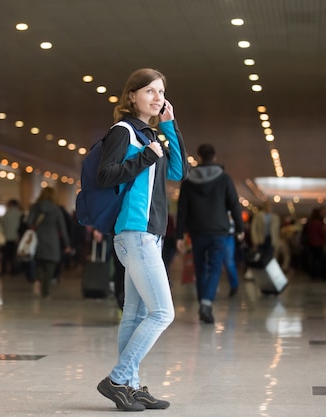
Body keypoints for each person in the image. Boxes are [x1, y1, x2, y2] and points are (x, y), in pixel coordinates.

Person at [96, 68, 188, 411]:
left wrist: (169, 126)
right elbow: (106, 175)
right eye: (149, 91)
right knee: (163, 313)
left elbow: (180, 172)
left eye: (161, 91)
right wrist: (145, 156)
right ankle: (118, 379)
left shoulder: (152, 134)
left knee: (134, 315)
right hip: (135, 233)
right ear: (131, 96)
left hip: (151, 235)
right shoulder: (123, 132)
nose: (157, 97)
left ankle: (130, 387)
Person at [175, 143, 244, 324]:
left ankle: (203, 302)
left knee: (200, 267)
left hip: (197, 231)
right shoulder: (224, 179)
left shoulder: (188, 180)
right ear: (214, 158)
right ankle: (206, 303)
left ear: (199, 158)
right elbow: (234, 205)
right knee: (214, 267)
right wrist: (240, 228)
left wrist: (179, 235)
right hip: (218, 231)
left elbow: (182, 209)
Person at [27, 187, 70, 298]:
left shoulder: (36, 207)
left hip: (38, 239)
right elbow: (62, 228)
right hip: (52, 240)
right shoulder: (56, 209)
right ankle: (45, 291)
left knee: (39, 262)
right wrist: (67, 244)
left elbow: (29, 222)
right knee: (51, 265)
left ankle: (37, 280)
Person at [0, 199, 23, 275]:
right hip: (17, 237)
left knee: (6, 255)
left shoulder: (7, 214)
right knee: (15, 255)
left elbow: (2, 223)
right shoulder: (20, 214)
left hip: (8, 237)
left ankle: (5, 270)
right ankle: (15, 270)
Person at [306, 206, 326, 280]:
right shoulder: (319, 223)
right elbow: (323, 233)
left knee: (313, 259)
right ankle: (317, 275)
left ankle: (313, 274)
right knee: (319, 260)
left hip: (311, 243)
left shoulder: (310, 222)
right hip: (318, 244)